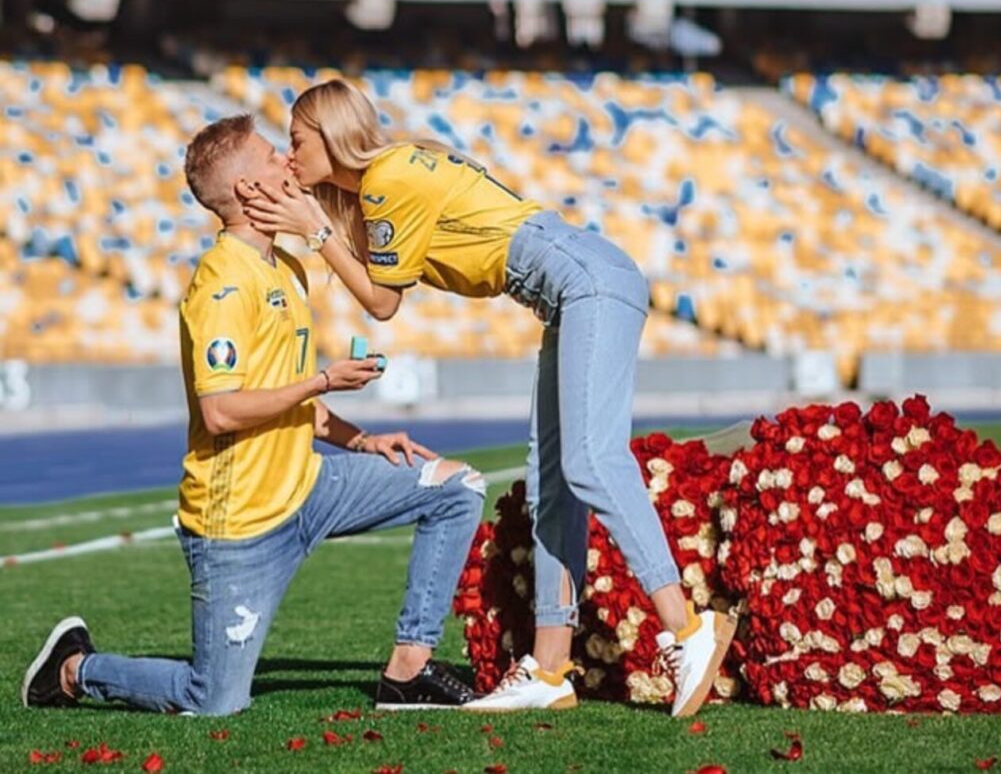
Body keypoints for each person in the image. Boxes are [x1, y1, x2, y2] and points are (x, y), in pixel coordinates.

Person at [241, 80, 734, 717]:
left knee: (589, 460)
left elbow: (381, 302)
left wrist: (312, 230)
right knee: (552, 480)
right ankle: (550, 670)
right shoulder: (390, 174)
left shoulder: (388, 177)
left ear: (331, 135)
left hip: (583, 281)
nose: (290, 150)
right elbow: (374, 266)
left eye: (297, 139)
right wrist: (305, 214)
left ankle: (689, 631)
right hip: (572, 285)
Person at [21, 115, 486, 716]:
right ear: (247, 190)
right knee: (215, 700)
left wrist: (362, 439)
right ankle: (74, 669)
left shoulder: (286, 268)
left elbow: (296, 404)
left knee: (456, 487)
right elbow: (220, 412)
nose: (287, 162)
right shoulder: (220, 283)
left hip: (312, 485)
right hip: (238, 524)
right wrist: (322, 379)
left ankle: (408, 670)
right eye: (273, 156)